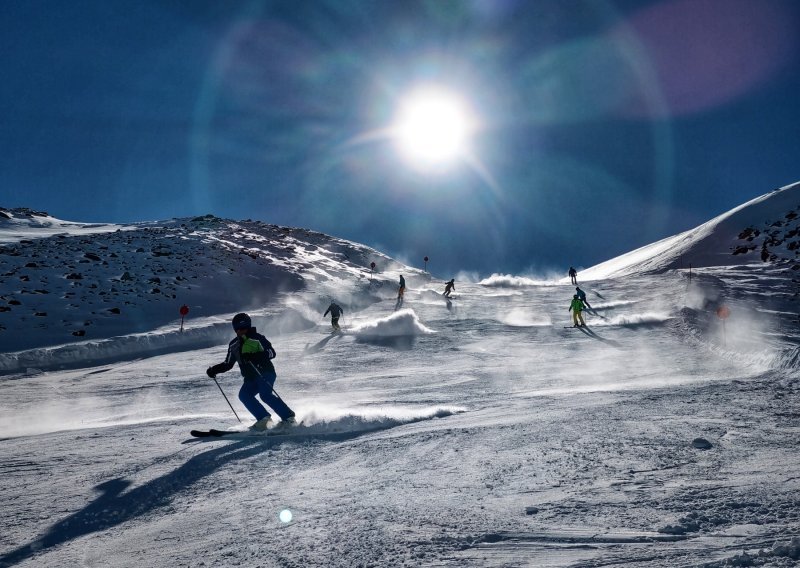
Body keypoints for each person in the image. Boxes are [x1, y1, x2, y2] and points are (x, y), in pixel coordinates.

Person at [206, 313, 295, 431]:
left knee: (265, 395)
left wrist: (256, 356)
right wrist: (214, 370)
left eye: (243, 328)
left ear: (248, 327)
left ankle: (288, 417)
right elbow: (228, 364)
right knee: (244, 395)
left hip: (265, 372)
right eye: (237, 329)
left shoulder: (257, 338)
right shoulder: (234, 344)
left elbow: (271, 353)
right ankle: (263, 419)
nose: (240, 331)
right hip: (250, 377)